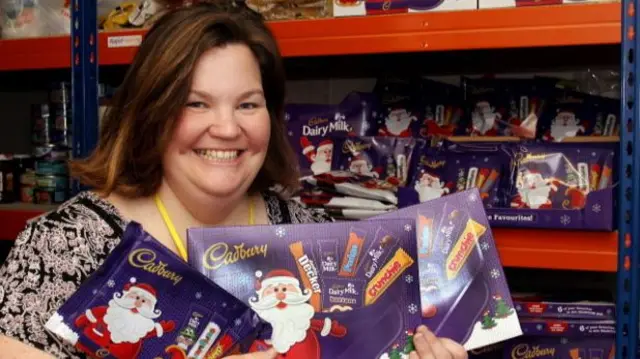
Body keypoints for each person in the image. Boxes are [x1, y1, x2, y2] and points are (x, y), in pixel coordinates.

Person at [0, 4, 468, 359]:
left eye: (247, 104)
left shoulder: (309, 233)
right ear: (150, 113)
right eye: (196, 103)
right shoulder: (65, 248)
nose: (227, 129)